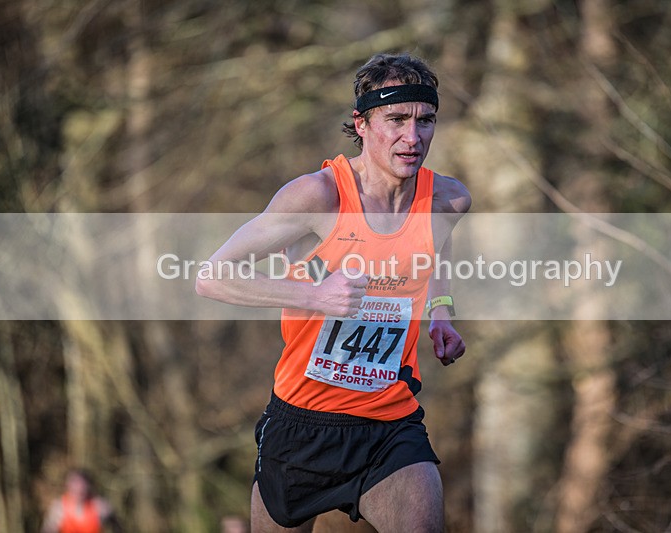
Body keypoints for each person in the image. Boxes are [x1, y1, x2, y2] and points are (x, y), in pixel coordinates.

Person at [196, 52, 471, 532]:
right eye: (397, 120)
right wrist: (315, 297)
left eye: (426, 121)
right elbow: (212, 277)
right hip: (303, 421)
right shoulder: (318, 197)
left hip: (390, 420)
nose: (413, 137)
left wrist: (441, 311)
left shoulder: (448, 200)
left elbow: (434, 252)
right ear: (361, 123)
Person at [41, 469, 119, 533]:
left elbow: (117, 526)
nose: (79, 489)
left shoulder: (100, 506)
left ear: (88, 487)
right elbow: (48, 530)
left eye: (82, 486)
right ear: (67, 486)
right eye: (75, 486)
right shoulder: (58, 508)